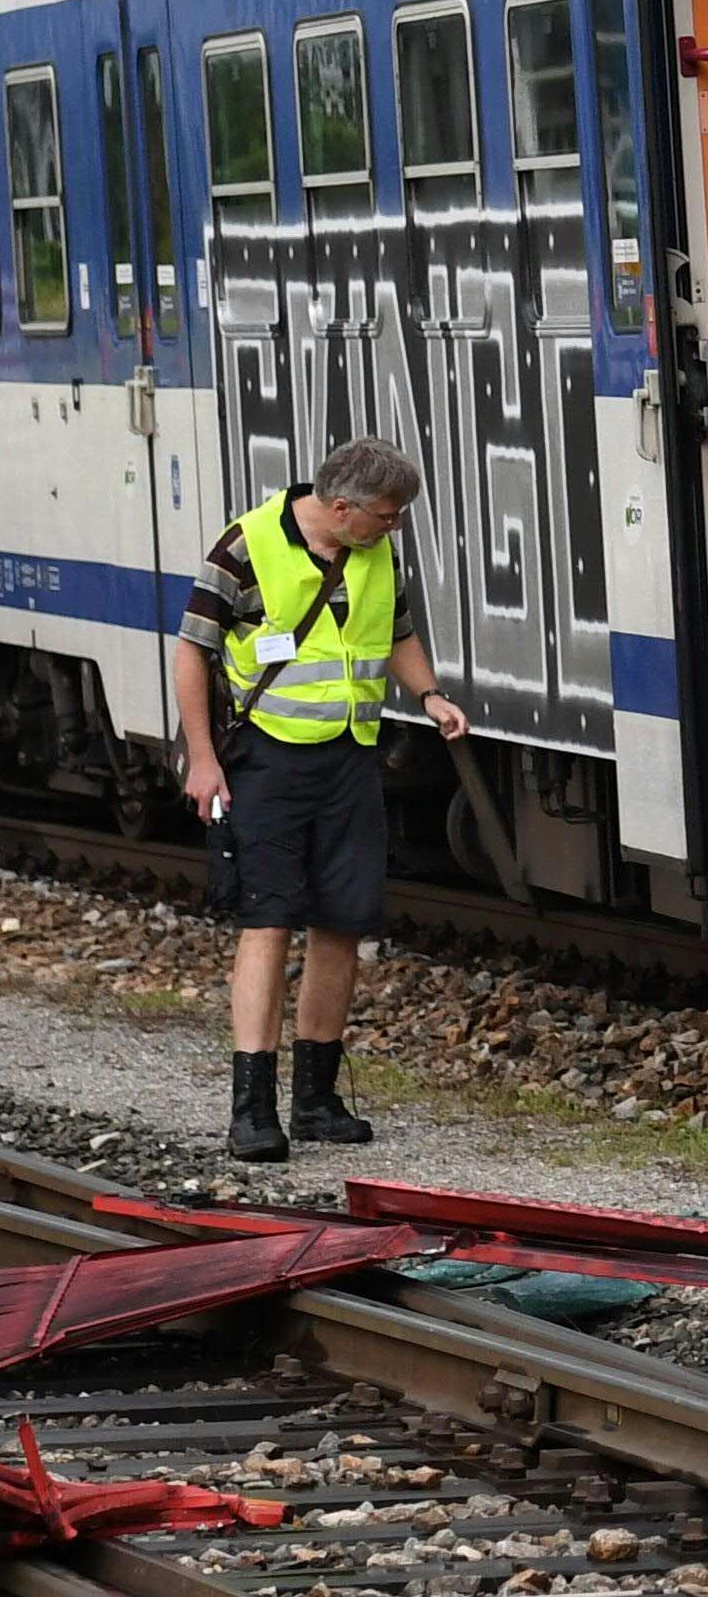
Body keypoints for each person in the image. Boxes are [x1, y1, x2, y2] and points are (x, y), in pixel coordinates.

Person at [170, 437, 466, 1161]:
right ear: (342, 508)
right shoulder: (244, 549)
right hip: (264, 762)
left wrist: (427, 693)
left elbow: (395, 631)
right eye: (387, 518)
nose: (392, 530)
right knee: (267, 922)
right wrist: (204, 761)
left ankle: (316, 1101)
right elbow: (192, 651)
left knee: (342, 921)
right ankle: (252, 1111)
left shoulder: (373, 553)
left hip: (349, 758)